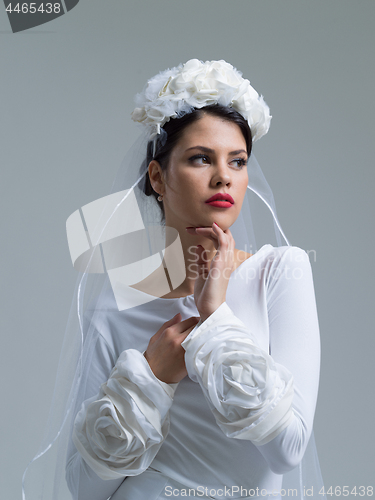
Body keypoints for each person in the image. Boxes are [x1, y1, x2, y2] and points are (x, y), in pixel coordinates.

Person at [23, 59, 325, 500]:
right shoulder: (115, 303)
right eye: (201, 158)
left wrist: (215, 316)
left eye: (237, 161)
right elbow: (84, 489)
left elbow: (288, 450)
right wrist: (150, 379)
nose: (224, 175)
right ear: (158, 177)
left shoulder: (279, 272)